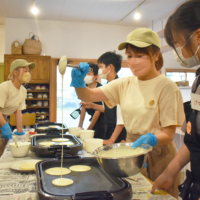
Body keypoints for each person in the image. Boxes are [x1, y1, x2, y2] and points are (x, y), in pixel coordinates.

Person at [70, 28, 185, 198]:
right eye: (130, 56)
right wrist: (79, 84)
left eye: (139, 56)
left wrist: (151, 138)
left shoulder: (167, 86)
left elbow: (168, 134)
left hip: (159, 157)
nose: (133, 61)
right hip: (131, 156)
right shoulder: (124, 84)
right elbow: (90, 95)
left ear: (155, 55)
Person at [150, 1, 200, 199]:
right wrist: (170, 173)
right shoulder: (197, 81)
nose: (178, 51)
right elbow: (194, 140)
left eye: (178, 44)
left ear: (198, 36)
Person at [80, 52, 127, 143]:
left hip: (117, 131)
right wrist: (92, 105)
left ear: (110, 67)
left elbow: (121, 118)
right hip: (108, 128)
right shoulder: (108, 85)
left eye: (101, 67)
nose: (99, 70)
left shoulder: (119, 85)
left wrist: (112, 139)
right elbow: (109, 109)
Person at [0, 59, 35, 156]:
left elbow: (18, 112)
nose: (28, 73)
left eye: (28, 71)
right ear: (15, 72)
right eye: (25, 70)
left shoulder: (23, 91)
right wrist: (4, 126)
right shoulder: (4, 87)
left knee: (3, 148)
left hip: (3, 119)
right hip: (2, 119)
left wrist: (20, 132)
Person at [78, 62, 105, 138]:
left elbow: (97, 112)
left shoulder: (101, 89)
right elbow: (83, 107)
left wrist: (89, 129)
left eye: (89, 73)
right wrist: (79, 127)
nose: (86, 76)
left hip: (102, 123)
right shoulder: (84, 88)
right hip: (92, 120)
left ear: (96, 76)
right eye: (84, 73)